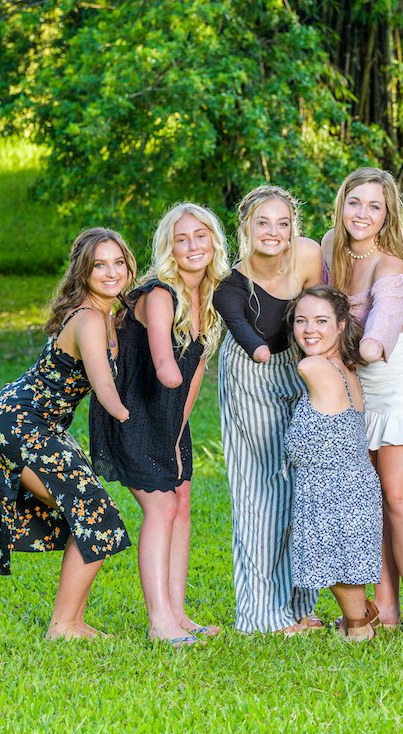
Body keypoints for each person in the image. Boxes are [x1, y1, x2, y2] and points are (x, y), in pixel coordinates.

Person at [0, 227, 136, 639]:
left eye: (118, 262)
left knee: (90, 513)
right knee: (94, 513)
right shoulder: (88, 319)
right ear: (83, 272)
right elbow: (104, 388)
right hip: (21, 422)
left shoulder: (107, 315)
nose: (111, 272)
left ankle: (71, 622)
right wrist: (132, 421)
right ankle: (64, 625)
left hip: (34, 424)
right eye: (99, 265)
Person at [89, 203, 229, 647]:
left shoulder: (206, 297)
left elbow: (196, 373)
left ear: (213, 242)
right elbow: (167, 364)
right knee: (161, 508)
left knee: (181, 505)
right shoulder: (160, 294)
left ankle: (177, 611)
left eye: (200, 236)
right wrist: (171, 376)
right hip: (133, 413)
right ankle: (158, 622)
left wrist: (178, 429)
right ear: (168, 246)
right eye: (181, 238)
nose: (192, 246)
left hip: (169, 419)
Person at [323, 167, 403, 639]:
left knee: (398, 496)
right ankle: (385, 608)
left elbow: (375, 342)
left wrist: (324, 349)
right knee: (369, 498)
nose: (363, 214)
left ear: (388, 213)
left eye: (375, 206)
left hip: (395, 379)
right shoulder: (332, 245)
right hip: (355, 380)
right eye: (355, 202)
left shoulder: (392, 267)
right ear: (342, 203)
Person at [213, 185, 325, 634]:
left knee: (303, 491)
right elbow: (244, 331)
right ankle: (262, 615)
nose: (273, 232)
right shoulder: (232, 284)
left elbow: (322, 314)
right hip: (251, 376)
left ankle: (300, 606)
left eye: (283, 223)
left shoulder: (309, 256)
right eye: (263, 222)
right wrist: (267, 353)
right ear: (246, 227)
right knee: (263, 493)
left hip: (303, 368)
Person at [284, 285, 383, 641]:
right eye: (301, 320)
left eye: (321, 321)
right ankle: (358, 618)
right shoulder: (345, 368)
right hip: (351, 482)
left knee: (337, 562)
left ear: (341, 325)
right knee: (344, 561)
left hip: (334, 486)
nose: (309, 329)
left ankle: (358, 625)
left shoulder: (313, 366)